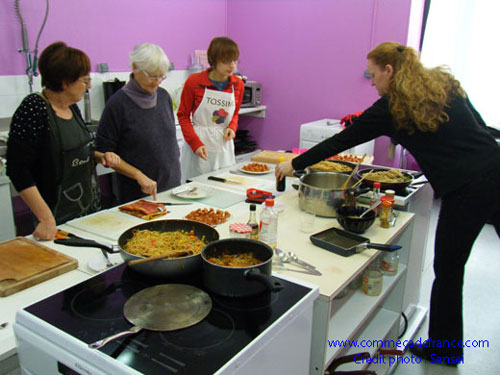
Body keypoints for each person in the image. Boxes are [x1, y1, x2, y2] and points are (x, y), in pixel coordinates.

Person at [276, 41, 500, 364]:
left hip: (467, 190)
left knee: (448, 270)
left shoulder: (392, 107)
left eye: (373, 74)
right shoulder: (444, 86)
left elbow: (340, 143)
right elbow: (478, 128)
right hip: (495, 167)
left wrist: (293, 164)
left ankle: (445, 352)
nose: (372, 82)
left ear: (389, 70)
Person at [6, 42, 121, 241]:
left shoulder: (72, 107)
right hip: (56, 217)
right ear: (65, 82)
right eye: (84, 80)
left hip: (88, 210)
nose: (89, 86)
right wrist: (45, 218)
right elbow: (18, 170)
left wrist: (100, 156)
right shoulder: (34, 109)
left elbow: (81, 150)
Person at [96, 43, 181, 203]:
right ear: (135, 67)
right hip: (137, 193)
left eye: (161, 77)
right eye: (152, 76)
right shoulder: (117, 104)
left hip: (171, 186)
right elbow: (104, 153)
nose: (157, 82)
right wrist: (138, 175)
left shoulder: (163, 96)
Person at [177, 36, 244, 180]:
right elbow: (183, 116)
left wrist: (232, 127)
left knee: (223, 185)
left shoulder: (238, 84)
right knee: (195, 188)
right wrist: (195, 143)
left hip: (223, 146)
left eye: (234, 60)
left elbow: (235, 113)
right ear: (213, 60)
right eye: (226, 61)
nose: (232, 66)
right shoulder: (194, 82)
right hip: (199, 144)